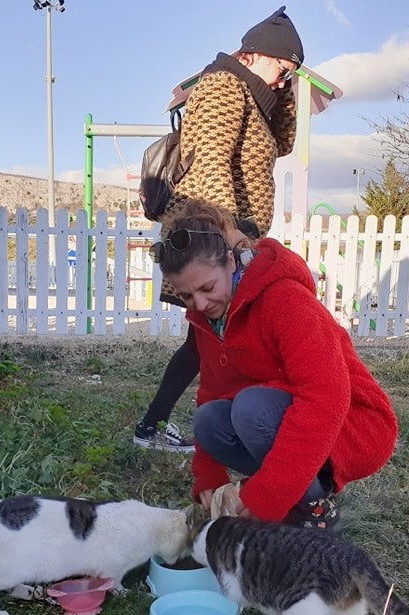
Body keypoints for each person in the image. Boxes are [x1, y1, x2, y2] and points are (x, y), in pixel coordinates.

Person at [149, 199, 399, 531]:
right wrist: (208, 473)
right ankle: (295, 492)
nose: (200, 304)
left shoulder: (286, 299)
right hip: (286, 416)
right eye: (186, 296)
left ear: (230, 260)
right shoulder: (208, 317)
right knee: (210, 420)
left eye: (208, 288)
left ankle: (313, 514)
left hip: (354, 425)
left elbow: (326, 399)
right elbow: (210, 394)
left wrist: (269, 494)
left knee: (249, 409)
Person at [133, 6, 304, 453]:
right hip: (212, 236)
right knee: (210, 337)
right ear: (250, 55)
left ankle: (165, 427)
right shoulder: (224, 85)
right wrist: (230, 243)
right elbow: (209, 162)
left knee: (207, 339)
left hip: (231, 235)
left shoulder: (255, 96)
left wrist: (288, 88)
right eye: (281, 69)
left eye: (291, 75)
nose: (283, 81)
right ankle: (196, 429)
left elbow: (283, 143)